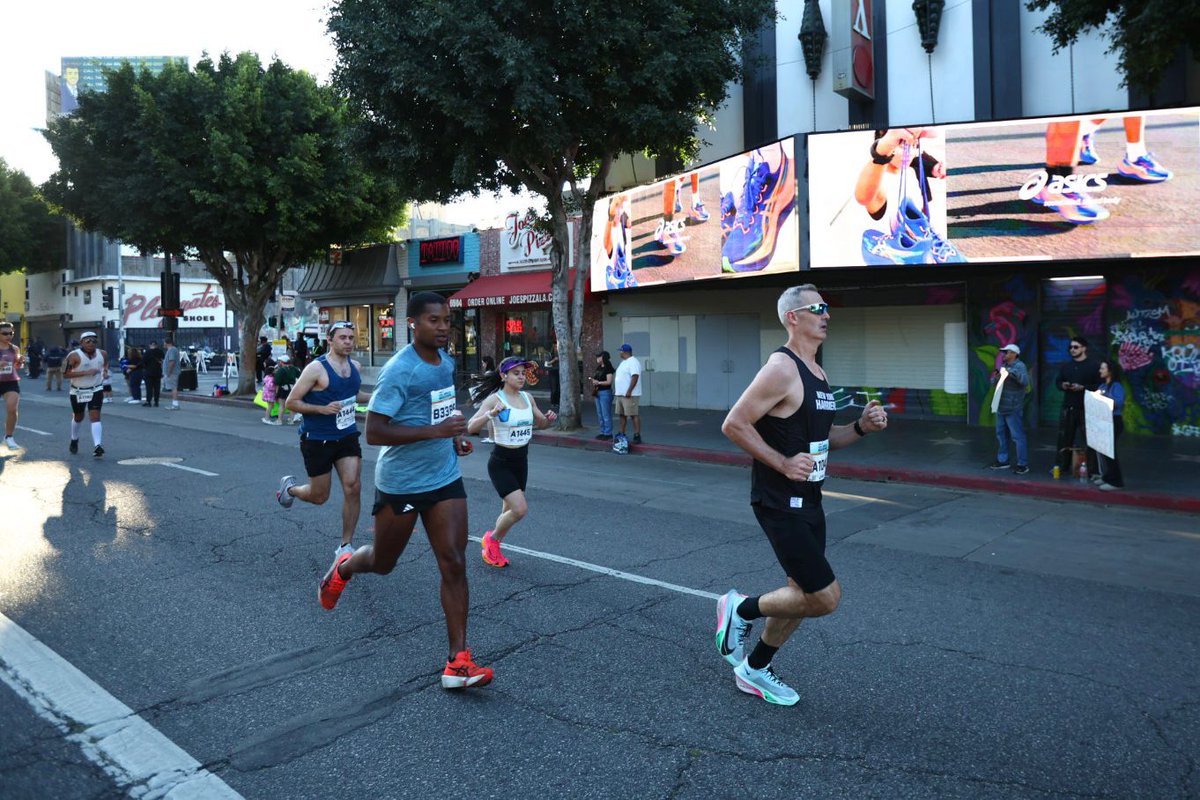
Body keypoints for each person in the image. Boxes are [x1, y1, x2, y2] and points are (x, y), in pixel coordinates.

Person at [716, 284, 888, 706]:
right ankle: (742, 608)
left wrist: (863, 427)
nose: (827, 314)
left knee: (800, 595)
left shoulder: (817, 371)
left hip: (811, 500)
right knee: (824, 598)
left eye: (827, 307)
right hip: (779, 500)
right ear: (794, 317)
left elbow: (823, 438)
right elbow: (734, 424)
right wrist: (781, 462)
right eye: (818, 308)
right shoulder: (782, 367)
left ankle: (754, 669)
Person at [318, 291, 493, 690]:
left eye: (447, 320)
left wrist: (454, 438)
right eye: (435, 320)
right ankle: (343, 568)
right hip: (401, 482)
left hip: (444, 477)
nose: (444, 327)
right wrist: (436, 432)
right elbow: (375, 431)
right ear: (413, 323)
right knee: (383, 562)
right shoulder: (400, 370)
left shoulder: (446, 363)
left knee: (453, 561)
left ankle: (458, 662)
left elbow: (439, 412)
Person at [276, 322, 372, 557]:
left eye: (351, 337)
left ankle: (345, 546)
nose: (348, 342)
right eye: (343, 338)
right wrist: (322, 409)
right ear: (330, 340)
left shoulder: (355, 367)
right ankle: (290, 489)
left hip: (347, 434)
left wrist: (377, 397)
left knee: (353, 486)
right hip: (317, 438)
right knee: (319, 496)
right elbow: (291, 402)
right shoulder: (315, 369)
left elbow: (354, 395)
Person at [466, 356, 557, 568]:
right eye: (516, 373)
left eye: (523, 373)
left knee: (507, 512)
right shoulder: (495, 399)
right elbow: (471, 427)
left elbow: (540, 424)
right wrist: (490, 414)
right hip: (501, 461)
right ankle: (492, 540)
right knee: (519, 509)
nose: (521, 377)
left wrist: (548, 419)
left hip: (521, 461)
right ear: (504, 375)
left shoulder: (527, 398)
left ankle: (493, 547)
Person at [1054, 336, 1101, 480]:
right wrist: (1063, 385)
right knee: (1064, 438)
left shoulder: (1094, 365)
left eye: (1076, 347)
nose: (1072, 350)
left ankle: (1093, 470)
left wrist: (1083, 388)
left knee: (1091, 440)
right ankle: (1062, 466)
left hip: (1087, 408)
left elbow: (1100, 386)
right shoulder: (1066, 366)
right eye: (1071, 347)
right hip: (1069, 407)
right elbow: (1058, 381)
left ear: (1084, 348)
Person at [62, 331, 108, 458]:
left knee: (95, 416)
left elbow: (105, 364)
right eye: (88, 341)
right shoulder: (73, 356)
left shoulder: (103, 353)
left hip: (96, 389)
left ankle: (97, 445)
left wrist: (105, 372)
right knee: (78, 417)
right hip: (78, 390)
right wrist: (86, 372)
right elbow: (65, 373)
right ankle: (74, 439)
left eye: (94, 341)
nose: (91, 343)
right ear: (81, 342)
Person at [987, 343, 1030, 475]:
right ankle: (1003, 460)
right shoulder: (1003, 366)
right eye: (1004, 352)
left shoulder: (1019, 366)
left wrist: (1010, 373)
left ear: (1014, 354)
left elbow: (1024, 381)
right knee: (1001, 435)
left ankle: (1023, 464)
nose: (1004, 355)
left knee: (1017, 436)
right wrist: (995, 377)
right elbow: (994, 384)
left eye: (1006, 352)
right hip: (1001, 407)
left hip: (1013, 408)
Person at [1092, 360, 1125, 492]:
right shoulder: (1102, 386)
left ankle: (1116, 482)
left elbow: (1118, 402)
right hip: (1103, 421)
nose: (1100, 371)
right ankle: (1107, 477)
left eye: (1103, 368)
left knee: (1110, 453)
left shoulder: (1116, 386)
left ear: (1110, 371)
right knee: (1104, 452)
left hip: (1114, 420)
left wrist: (1102, 399)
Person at [0, 322, 24, 450]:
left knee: (12, 409)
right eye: (5, 333)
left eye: (11, 333)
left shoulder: (14, 348)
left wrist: (20, 362)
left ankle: (9, 437)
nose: (8, 336)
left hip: (10, 381)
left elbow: (17, 366)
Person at [614, 343, 642, 444]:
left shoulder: (633, 362)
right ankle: (621, 433)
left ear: (625, 352)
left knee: (633, 414)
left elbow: (635, 376)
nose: (619, 353)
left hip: (630, 395)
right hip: (621, 394)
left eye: (620, 351)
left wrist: (629, 390)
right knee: (622, 415)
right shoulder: (623, 362)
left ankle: (637, 435)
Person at [589, 351, 616, 441]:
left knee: (605, 414)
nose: (597, 358)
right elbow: (597, 378)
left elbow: (609, 382)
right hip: (598, 392)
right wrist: (594, 380)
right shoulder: (599, 367)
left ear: (603, 357)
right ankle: (602, 431)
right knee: (600, 413)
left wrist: (598, 382)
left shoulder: (608, 368)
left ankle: (608, 433)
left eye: (599, 356)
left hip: (605, 392)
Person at [273, 354, 302, 425]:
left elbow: (277, 382)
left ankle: (279, 420)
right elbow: (300, 376)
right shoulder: (294, 368)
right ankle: (291, 420)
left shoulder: (281, 370)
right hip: (292, 388)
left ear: (282, 362)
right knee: (291, 405)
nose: (279, 362)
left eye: (280, 361)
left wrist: (276, 393)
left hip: (283, 389)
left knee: (282, 405)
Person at [142, 341, 164, 407]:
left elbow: (143, 362)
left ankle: (148, 401)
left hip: (149, 372)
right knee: (157, 387)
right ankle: (156, 402)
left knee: (149, 388)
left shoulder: (147, 352)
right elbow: (163, 361)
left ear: (150, 345)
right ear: (156, 345)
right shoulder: (160, 352)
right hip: (158, 372)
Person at [162, 336, 181, 410]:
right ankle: (175, 404)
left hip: (172, 373)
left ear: (167, 343)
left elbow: (172, 361)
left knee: (173, 388)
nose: (163, 344)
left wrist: (169, 372)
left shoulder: (172, 350)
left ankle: (175, 404)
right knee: (173, 387)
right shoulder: (172, 350)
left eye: (164, 342)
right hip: (172, 372)